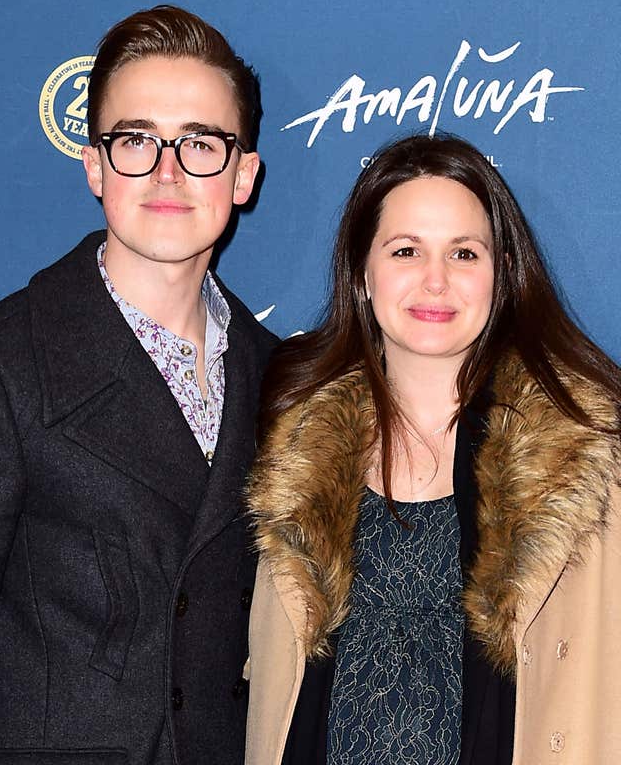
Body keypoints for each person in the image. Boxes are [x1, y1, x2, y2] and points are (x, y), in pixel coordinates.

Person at [245, 133, 621, 765]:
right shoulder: (293, 454)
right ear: (363, 273)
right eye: (405, 250)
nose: (436, 280)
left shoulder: (589, 458)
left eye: (464, 253)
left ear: (501, 274)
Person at [0, 5, 276, 764]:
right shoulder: (5, 360)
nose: (169, 172)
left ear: (242, 176)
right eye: (137, 140)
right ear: (94, 165)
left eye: (200, 144)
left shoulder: (281, 379)